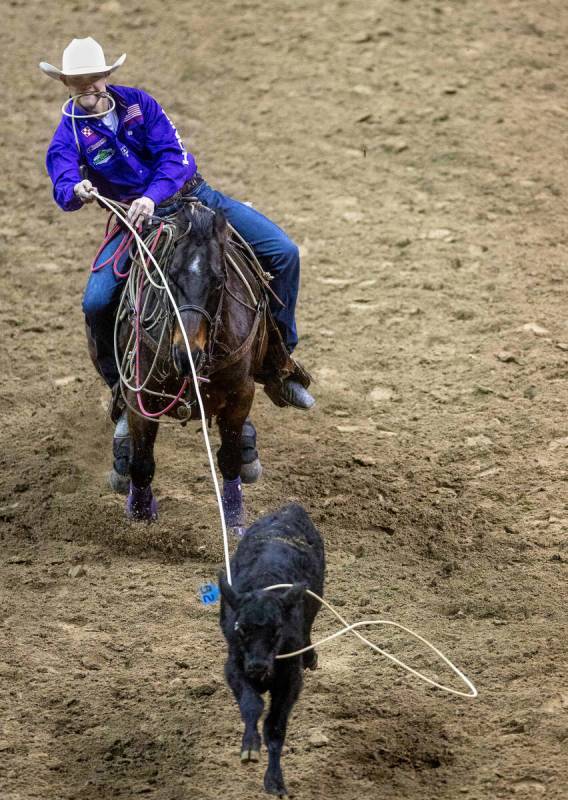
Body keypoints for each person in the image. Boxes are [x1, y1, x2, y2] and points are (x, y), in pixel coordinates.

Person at [40, 37, 315, 485]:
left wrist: (151, 195)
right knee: (97, 302)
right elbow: (62, 175)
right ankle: (122, 394)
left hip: (194, 198)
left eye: (94, 80)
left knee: (282, 253)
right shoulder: (69, 131)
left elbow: (172, 154)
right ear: (67, 84)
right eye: (78, 83)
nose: (88, 88)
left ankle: (279, 363)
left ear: (107, 76)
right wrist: (75, 190)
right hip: (136, 223)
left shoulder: (141, 104)